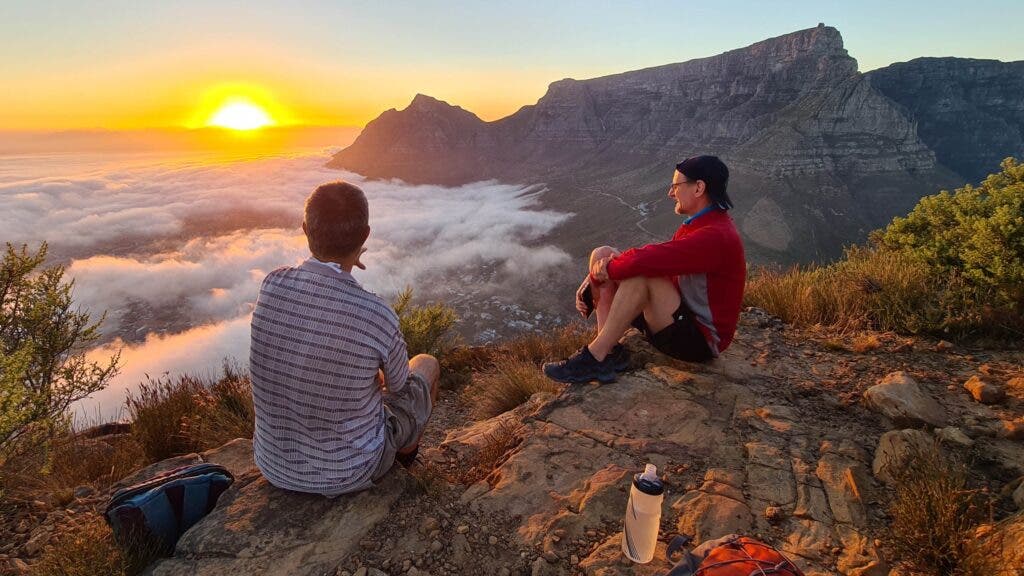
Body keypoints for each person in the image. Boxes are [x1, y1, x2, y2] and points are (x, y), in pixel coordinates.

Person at [249, 181, 439, 497]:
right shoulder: (375, 313)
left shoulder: (272, 284)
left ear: (305, 229)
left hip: (274, 466)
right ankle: (405, 459)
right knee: (426, 364)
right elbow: (398, 387)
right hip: (349, 471)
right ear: (365, 235)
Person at [544, 156, 745, 384]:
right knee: (602, 253)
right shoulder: (701, 225)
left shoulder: (716, 236)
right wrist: (596, 275)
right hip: (676, 317)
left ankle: (595, 356)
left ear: (699, 188)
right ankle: (609, 351)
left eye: (676, 186)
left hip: (699, 341)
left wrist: (595, 278)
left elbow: (645, 262)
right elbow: (658, 262)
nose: (670, 193)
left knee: (640, 276)